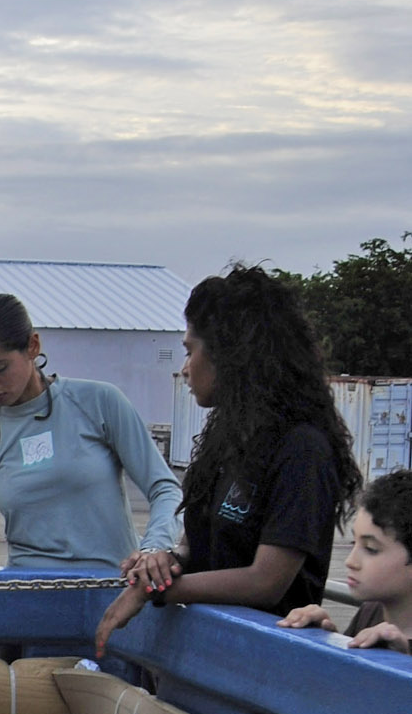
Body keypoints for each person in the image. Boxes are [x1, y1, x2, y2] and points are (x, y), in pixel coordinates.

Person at [95, 266, 359, 660]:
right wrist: (162, 565)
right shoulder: (228, 437)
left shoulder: (303, 448)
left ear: (230, 354)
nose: (184, 367)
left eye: (189, 350)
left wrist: (155, 592)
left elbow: (265, 581)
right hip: (206, 656)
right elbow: (194, 547)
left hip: (265, 664)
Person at [0, 292, 181, 571]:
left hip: (112, 593)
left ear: (32, 346)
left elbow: (165, 489)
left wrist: (155, 548)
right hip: (28, 600)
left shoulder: (100, 403)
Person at [284, 470, 412, 654]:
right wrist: (328, 640)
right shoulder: (370, 612)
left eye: (370, 549)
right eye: (355, 542)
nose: (350, 561)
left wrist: (402, 665)